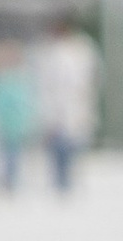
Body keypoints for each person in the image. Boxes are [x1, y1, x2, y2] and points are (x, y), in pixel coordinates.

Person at [34, 22, 99, 192]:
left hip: (74, 104)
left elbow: (87, 78)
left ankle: (67, 179)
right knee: (58, 144)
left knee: (72, 143)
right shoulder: (47, 52)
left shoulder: (81, 51)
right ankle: (60, 180)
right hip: (55, 106)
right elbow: (43, 82)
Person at [0, 51, 36, 191]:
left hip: (13, 124)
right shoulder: (3, 81)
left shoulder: (16, 81)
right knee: (4, 155)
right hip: (5, 124)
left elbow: (28, 104)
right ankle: (3, 182)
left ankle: (8, 181)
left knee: (10, 155)